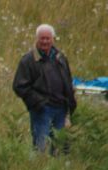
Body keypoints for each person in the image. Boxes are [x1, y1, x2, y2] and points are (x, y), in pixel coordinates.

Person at [12, 24, 76, 154]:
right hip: (42, 111)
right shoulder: (28, 60)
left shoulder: (60, 58)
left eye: (48, 38)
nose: (45, 41)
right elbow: (19, 86)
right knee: (40, 148)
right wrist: (39, 103)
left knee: (61, 148)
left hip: (61, 109)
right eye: (42, 38)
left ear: (53, 39)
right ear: (37, 39)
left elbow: (68, 81)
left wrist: (70, 103)